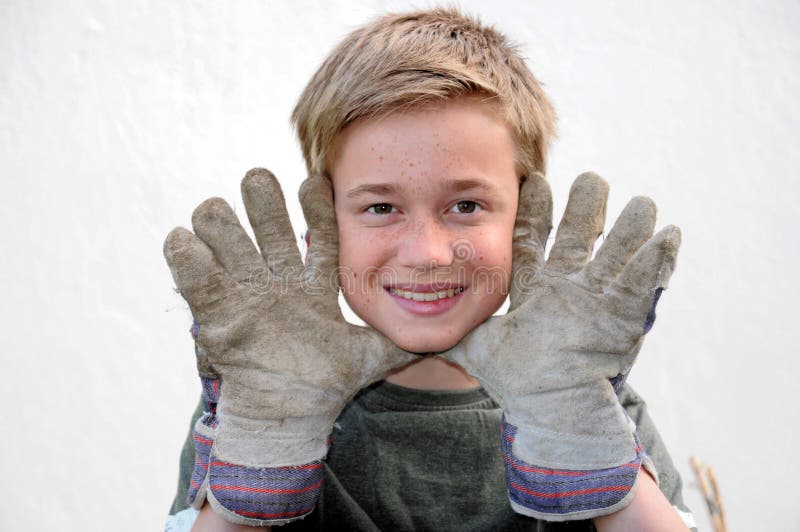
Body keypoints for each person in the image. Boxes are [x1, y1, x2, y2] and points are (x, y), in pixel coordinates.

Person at [164, 7, 696, 531]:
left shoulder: (593, 399)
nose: (427, 254)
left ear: (526, 218)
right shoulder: (258, 398)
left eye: (465, 206)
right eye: (381, 207)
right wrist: (263, 452)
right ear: (324, 220)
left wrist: (578, 433)